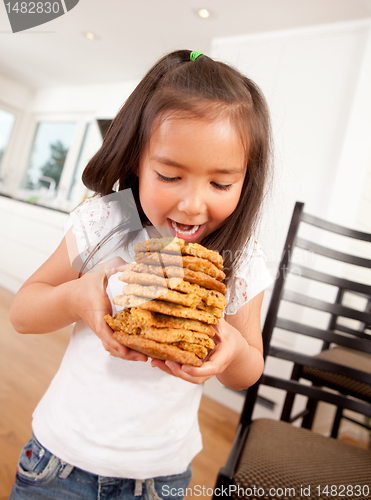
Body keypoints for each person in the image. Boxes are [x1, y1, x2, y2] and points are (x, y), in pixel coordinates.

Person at [8, 49, 273, 500]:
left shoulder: (239, 259)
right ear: (136, 159)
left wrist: (230, 353)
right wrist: (77, 297)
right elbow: (22, 313)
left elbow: (247, 371)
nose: (192, 204)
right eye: (170, 175)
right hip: (57, 462)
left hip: (161, 478)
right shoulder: (106, 222)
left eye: (220, 184)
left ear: (246, 180)